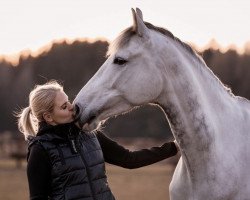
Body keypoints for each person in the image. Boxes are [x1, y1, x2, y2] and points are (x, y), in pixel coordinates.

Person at [17, 80, 179, 200]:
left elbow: (129, 159)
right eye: (64, 107)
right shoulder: (40, 149)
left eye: (68, 101)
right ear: (48, 117)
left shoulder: (90, 134)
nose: (72, 106)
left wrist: (173, 147)